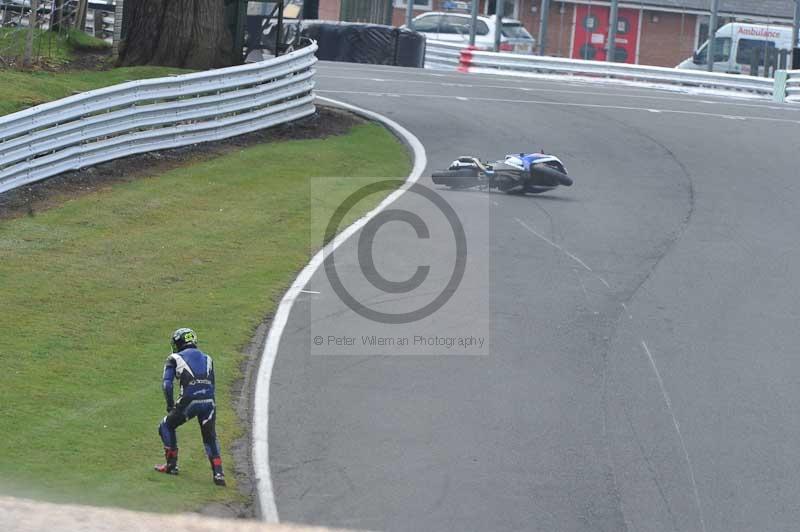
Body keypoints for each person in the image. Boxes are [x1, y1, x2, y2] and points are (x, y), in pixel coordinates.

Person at [154, 327, 226, 486]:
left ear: (178, 343)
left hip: (189, 399)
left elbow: (167, 385)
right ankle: (219, 473)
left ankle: (171, 465)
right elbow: (212, 383)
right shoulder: (208, 358)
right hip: (209, 401)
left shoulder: (174, 358)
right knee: (210, 436)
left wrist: (170, 405)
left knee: (166, 425)